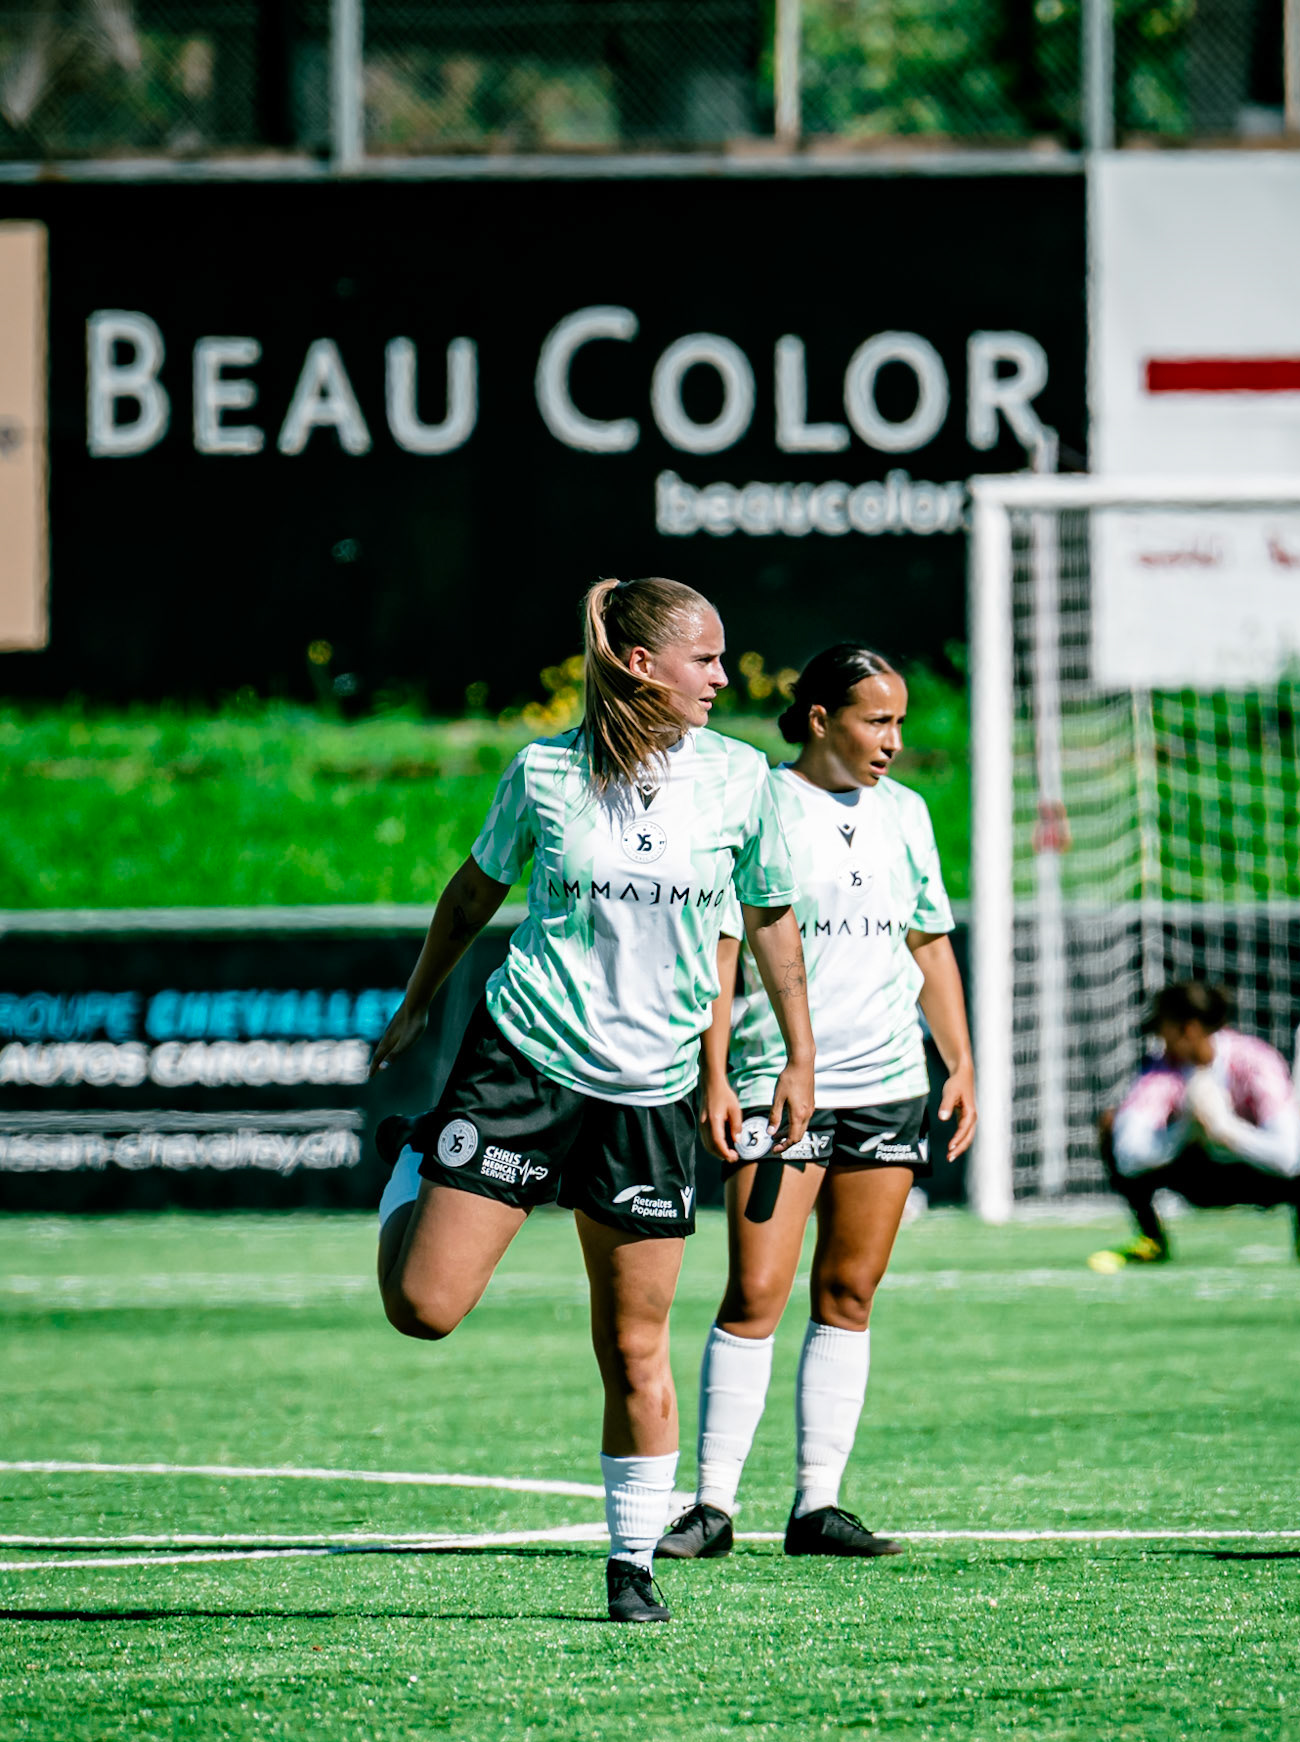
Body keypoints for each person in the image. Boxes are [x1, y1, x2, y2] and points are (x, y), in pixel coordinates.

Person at [368, 577, 816, 1623]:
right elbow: (473, 893)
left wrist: (798, 1053)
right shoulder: (545, 772)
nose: (722, 676)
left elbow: (767, 921)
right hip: (523, 1062)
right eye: (704, 658)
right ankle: (415, 1156)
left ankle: (631, 1566)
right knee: (423, 1308)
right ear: (639, 664)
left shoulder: (743, 780)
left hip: (650, 1095)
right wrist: (417, 1004)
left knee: (634, 1343)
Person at [656, 643, 976, 1564]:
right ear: (821, 718)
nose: (894, 740)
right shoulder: (762, 804)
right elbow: (725, 952)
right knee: (754, 1290)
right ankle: (711, 1506)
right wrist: (716, 1075)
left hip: (887, 1086)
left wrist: (958, 1061)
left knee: (848, 1292)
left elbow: (928, 942)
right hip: (774, 1083)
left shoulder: (906, 815)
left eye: (900, 722)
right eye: (878, 720)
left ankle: (817, 1505)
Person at [1089, 981, 1300, 1272]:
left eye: (1163, 1028)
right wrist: (1187, 1129)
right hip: (1194, 1173)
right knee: (1112, 1125)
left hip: (1256, 1175)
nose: (1158, 1037)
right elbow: (1129, 1156)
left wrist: (1225, 1130)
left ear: (1188, 1029)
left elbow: (1290, 1158)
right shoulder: (1160, 1069)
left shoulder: (1254, 1060)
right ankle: (1150, 1241)